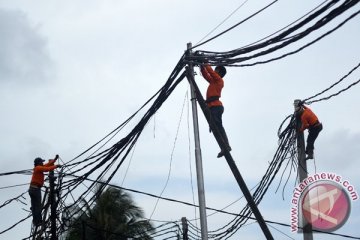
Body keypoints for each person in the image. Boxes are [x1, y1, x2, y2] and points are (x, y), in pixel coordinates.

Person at [200, 63, 231, 158]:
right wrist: (202, 67)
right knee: (215, 127)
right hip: (212, 106)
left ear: (220, 73)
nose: (214, 71)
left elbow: (211, 72)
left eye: (216, 70)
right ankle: (223, 147)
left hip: (216, 106)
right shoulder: (213, 82)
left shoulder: (219, 80)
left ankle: (226, 145)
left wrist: (205, 62)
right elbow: (206, 75)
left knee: (218, 126)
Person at [29, 155, 61, 226]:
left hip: (33, 189)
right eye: (41, 162)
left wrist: (54, 160)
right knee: (37, 206)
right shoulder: (38, 168)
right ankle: (39, 222)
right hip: (35, 189)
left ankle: (35, 221)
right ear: (39, 162)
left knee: (34, 207)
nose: (43, 163)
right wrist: (56, 166)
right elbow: (47, 169)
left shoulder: (38, 168)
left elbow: (47, 165)